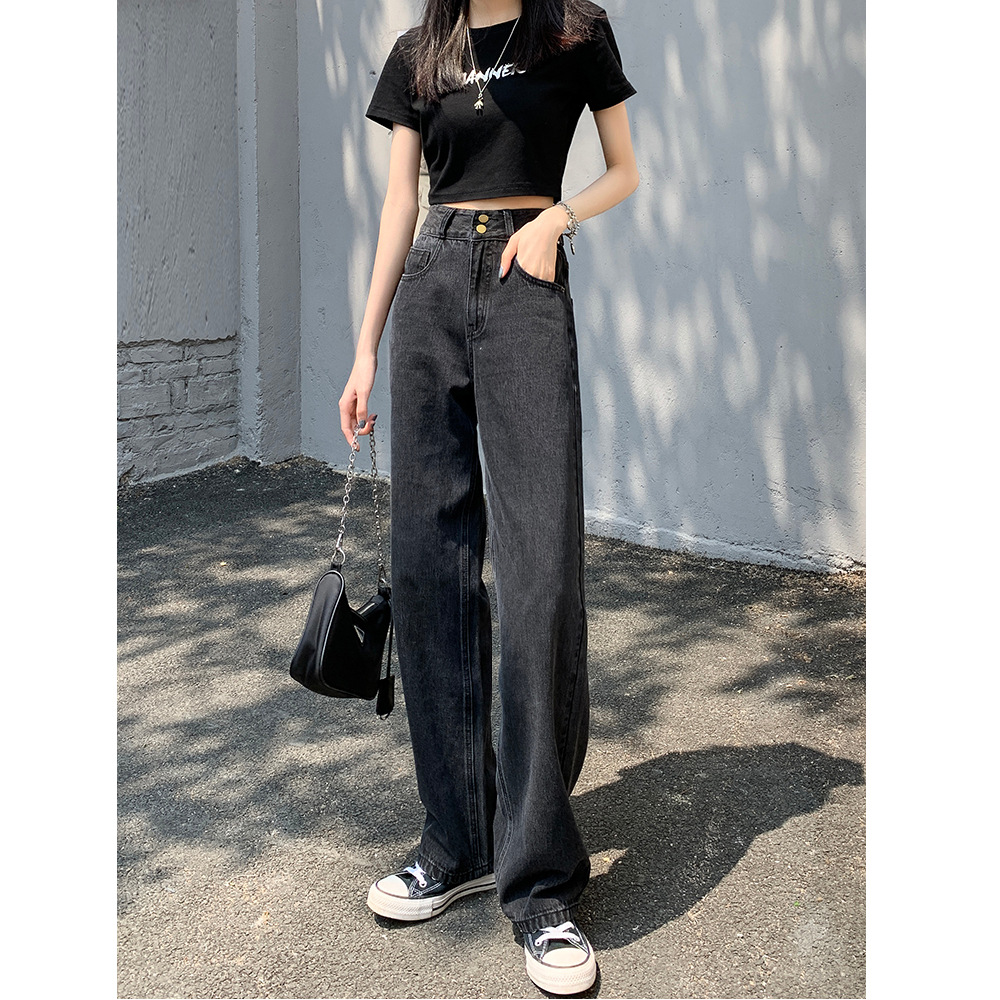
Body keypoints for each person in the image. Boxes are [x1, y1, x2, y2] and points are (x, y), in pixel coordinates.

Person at [338, 0, 639, 993]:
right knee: (430, 573)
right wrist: (364, 348)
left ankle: (541, 881)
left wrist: (557, 217)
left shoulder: (573, 31)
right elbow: (398, 204)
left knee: (540, 578)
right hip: (428, 286)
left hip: (525, 283)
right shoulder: (419, 50)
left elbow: (625, 169)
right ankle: (458, 838)